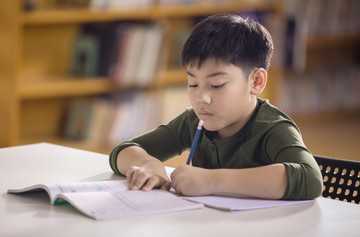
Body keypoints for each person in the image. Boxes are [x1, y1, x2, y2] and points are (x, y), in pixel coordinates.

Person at [109, 13, 323, 200]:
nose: (202, 97)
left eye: (216, 85)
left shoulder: (273, 128)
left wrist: (212, 180)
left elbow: (310, 179)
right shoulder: (195, 121)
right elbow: (121, 151)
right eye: (193, 83)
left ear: (256, 81)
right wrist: (149, 165)